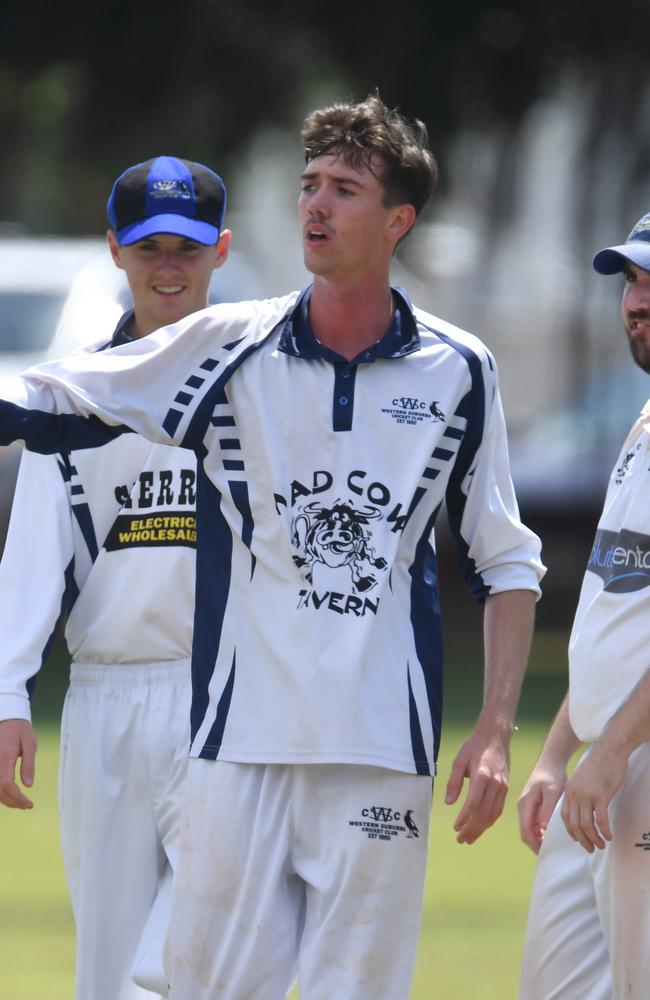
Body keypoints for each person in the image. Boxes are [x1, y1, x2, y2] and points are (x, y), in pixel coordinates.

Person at [0, 95, 544, 999]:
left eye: (344, 189)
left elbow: (506, 561)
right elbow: (48, 402)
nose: (315, 207)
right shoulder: (228, 345)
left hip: (380, 748)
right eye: (307, 186)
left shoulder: (461, 368)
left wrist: (493, 730)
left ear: (398, 219)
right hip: (237, 751)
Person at [0, 154, 231, 1000]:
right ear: (114, 250)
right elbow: (31, 553)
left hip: (226, 701)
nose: (168, 268)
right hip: (107, 699)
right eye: (148, 249)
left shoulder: (258, 384)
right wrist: (9, 696)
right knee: (109, 972)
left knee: (211, 961)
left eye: (188, 249)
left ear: (223, 251)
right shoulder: (70, 393)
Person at [517, 211, 650, 1000]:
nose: (638, 299)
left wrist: (610, 753)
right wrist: (556, 751)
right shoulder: (641, 421)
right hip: (600, 767)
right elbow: (616, 613)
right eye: (632, 281)